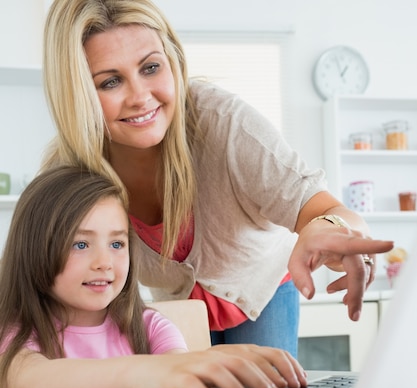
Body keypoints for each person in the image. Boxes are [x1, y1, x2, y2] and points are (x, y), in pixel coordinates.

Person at [41, 0, 394, 358]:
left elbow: (327, 209)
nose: (140, 97)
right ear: (76, 93)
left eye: (150, 67)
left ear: (173, 61)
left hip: (261, 289)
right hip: (178, 306)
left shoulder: (225, 124)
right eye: (111, 81)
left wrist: (329, 228)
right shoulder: (67, 174)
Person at [0, 166, 307, 388]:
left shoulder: (151, 328)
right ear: (34, 250)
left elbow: (178, 374)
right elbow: (29, 382)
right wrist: (142, 373)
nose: (104, 262)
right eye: (81, 244)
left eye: (117, 243)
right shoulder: (14, 336)